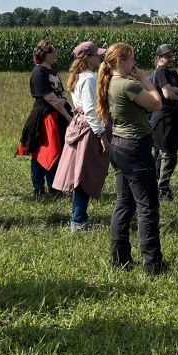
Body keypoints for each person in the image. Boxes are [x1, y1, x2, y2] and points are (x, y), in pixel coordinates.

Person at [97, 43, 167, 275]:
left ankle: (120, 258)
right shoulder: (128, 85)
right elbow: (157, 103)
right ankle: (152, 264)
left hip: (118, 145)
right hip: (135, 147)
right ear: (119, 61)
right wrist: (146, 80)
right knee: (147, 206)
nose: (134, 63)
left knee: (124, 203)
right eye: (131, 59)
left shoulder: (110, 83)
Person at [53, 42, 111, 231]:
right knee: (84, 176)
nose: (99, 57)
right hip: (89, 130)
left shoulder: (79, 76)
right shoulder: (88, 78)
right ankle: (78, 221)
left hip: (81, 126)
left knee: (82, 174)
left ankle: (79, 218)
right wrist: (102, 134)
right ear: (87, 57)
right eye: (96, 55)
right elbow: (91, 111)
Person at [17, 40, 73, 198]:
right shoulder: (38, 72)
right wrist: (68, 116)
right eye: (52, 52)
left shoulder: (52, 71)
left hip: (57, 115)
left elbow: (62, 93)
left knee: (58, 152)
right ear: (44, 54)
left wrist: (62, 101)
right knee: (42, 153)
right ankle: (39, 188)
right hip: (44, 117)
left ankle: (55, 188)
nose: (55, 54)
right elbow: (50, 99)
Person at [149, 44, 178, 202]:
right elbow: (168, 94)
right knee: (168, 155)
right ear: (158, 59)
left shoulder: (171, 72)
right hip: (164, 118)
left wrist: (177, 91)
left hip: (171, 117)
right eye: (167, 56)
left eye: (172, 56)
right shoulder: (161, 72)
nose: (171, 59)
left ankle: (157, 186)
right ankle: (162, 189)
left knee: (161, 154)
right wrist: (177, 92)